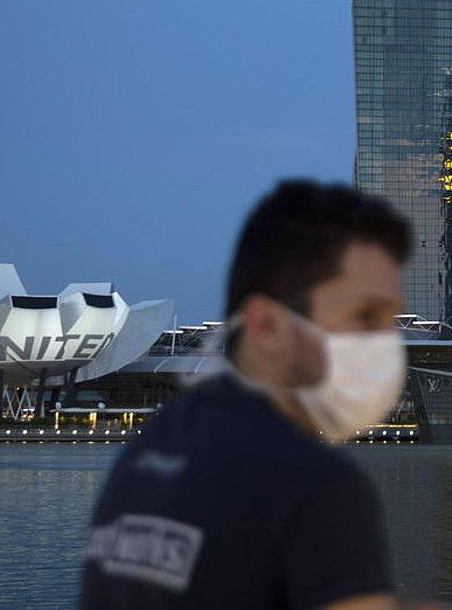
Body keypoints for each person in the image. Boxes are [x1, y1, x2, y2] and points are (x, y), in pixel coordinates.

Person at [80, 180, 411, 609]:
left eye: (391, 318)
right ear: (268, 325)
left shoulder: (150, 447)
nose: (389, 342)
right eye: (366, 315)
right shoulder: (319, 485)